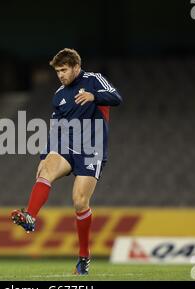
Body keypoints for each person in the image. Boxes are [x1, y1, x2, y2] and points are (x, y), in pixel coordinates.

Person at [11, 48, 123, 275]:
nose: (60, 75)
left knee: (80, 202)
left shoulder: (93, 81)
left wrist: (95, 96)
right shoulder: (59, 95)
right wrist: (44, 156)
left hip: (92, 149)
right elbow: (55, 129)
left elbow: (117, 98)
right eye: (58, 71)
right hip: (67, 145)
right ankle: (30, 216)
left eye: (64, 70)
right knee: (45, 171)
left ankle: (84, 258)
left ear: (76, 67)